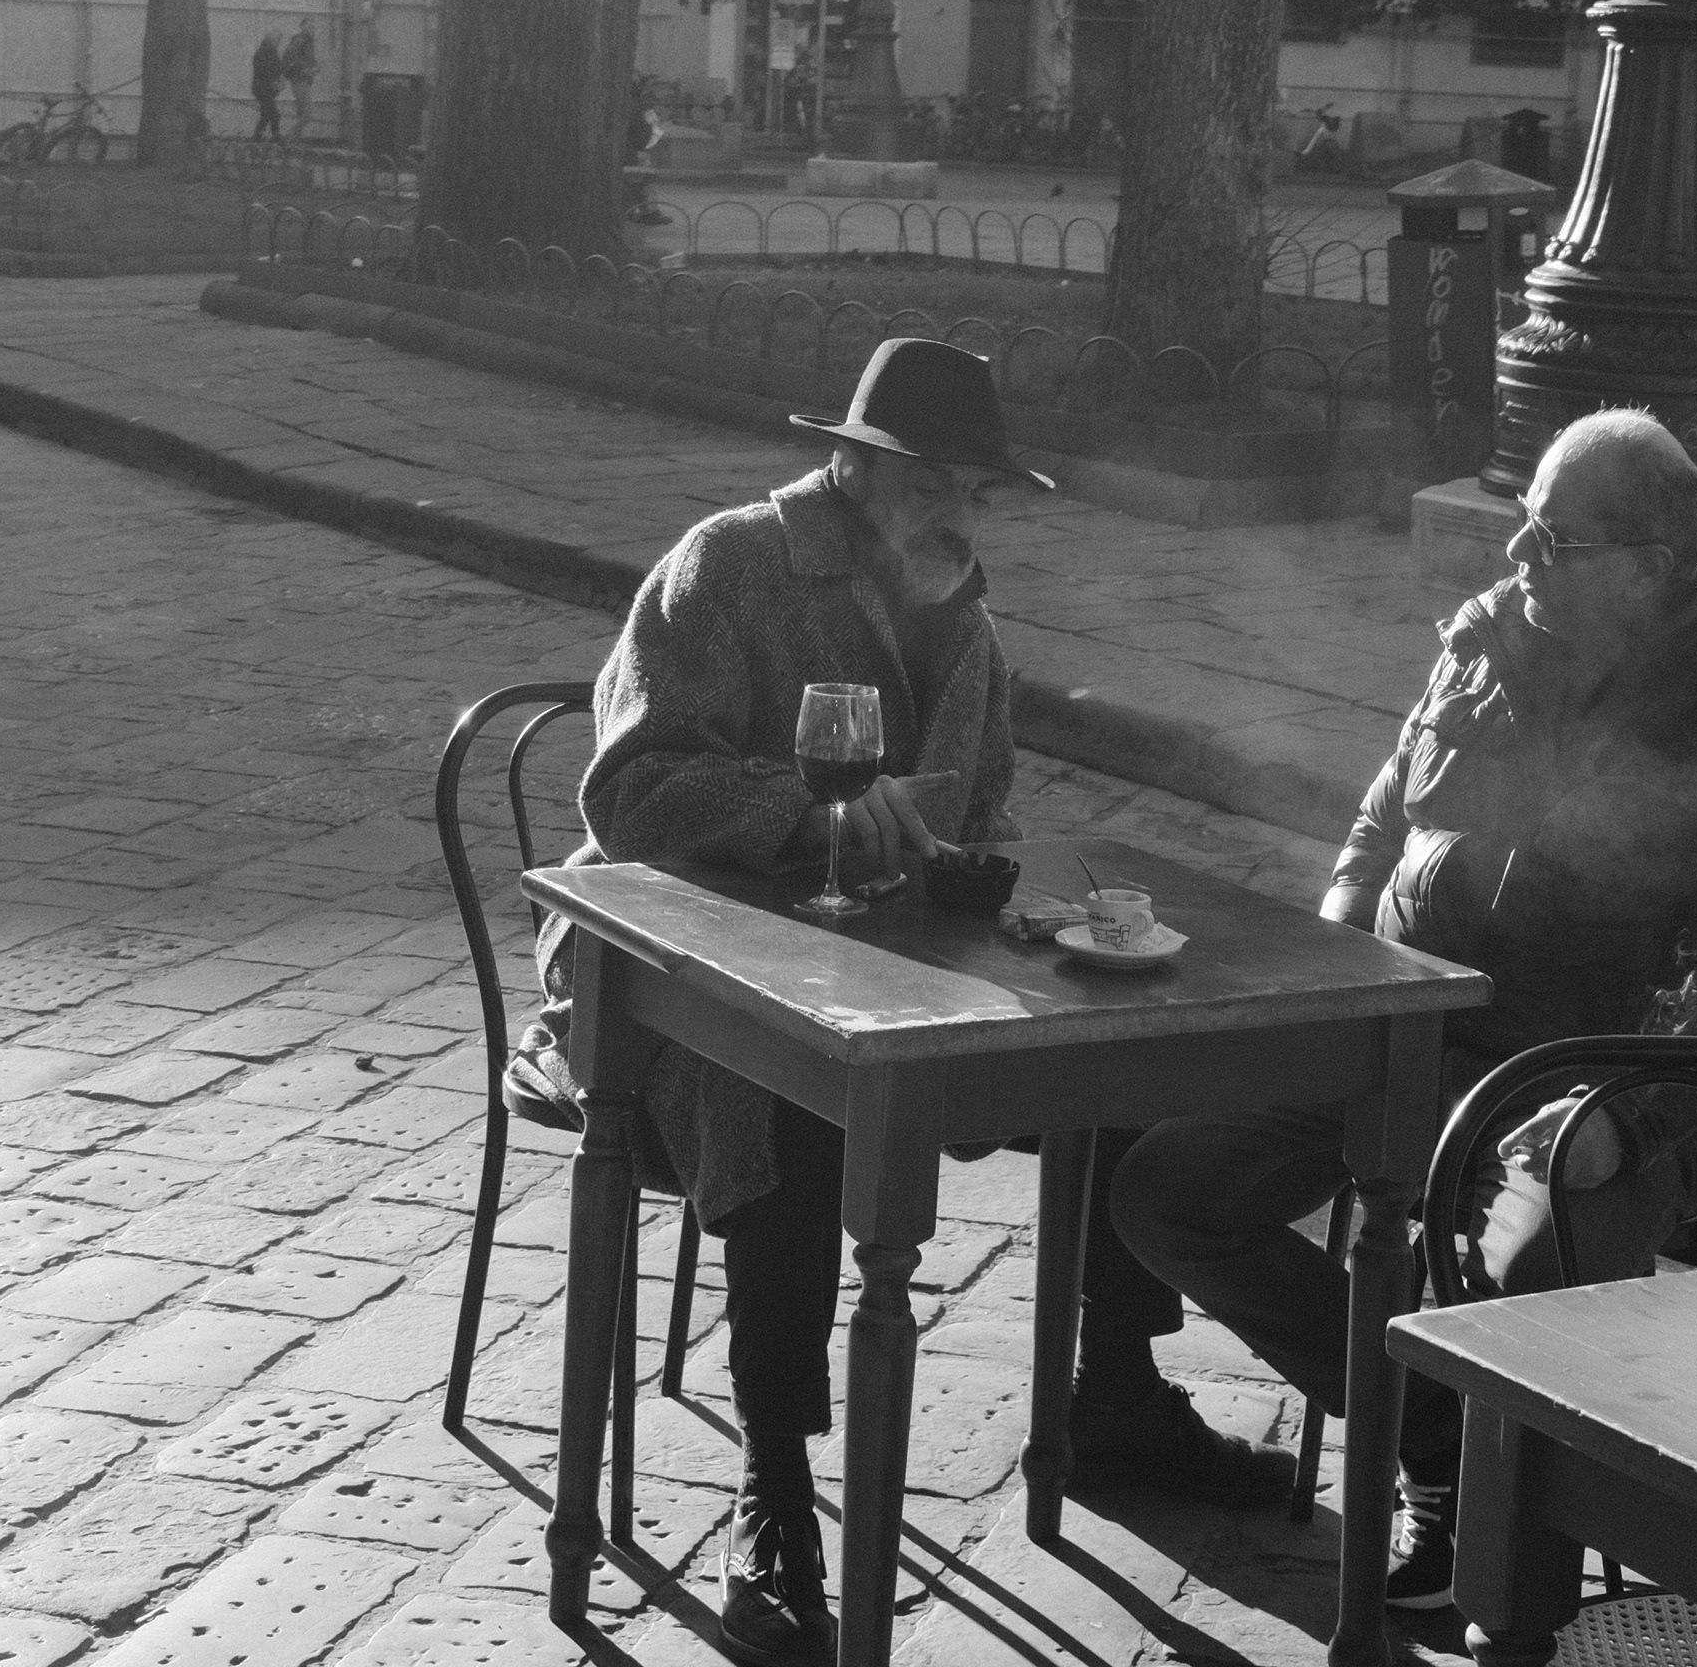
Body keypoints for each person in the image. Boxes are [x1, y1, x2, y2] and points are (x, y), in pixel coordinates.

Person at [516, 339, 1287, 1664]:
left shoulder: (965, 621)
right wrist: (804, 820)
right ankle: (777, 1492)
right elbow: (630, 796)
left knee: (1114, 1048)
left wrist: (985, 889)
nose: (961, 515)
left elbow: (973, 817)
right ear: (859, 468)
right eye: (937, 484)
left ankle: (1114, 1390)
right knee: (790, 1097)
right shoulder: (729, 566)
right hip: (665, 969)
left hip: (880, 959)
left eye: (978, 491)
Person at [1111, 406, 1697, 1614]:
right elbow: (1380, 815)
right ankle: (1444, 1447)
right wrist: (1332, 959)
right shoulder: (1492, 636)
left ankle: (1518, 1561)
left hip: (1590, 1080)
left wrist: (1628, 1112)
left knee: (1522, 1269)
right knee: (1166, 1188)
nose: (1517, 559)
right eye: (1523, 526)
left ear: (1652, 566)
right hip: (1402, 1030)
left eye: (1553, 538)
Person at [277, 24, 317, 138]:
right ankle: (289, 136)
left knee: (301, 113)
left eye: (313, 27)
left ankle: (295, 140)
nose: (312, 29)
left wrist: (316, 67)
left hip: (302, 80)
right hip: (300, 81)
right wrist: (305, 69)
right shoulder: (300, 40)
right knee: (308, 114)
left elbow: (312, 60)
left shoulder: (308, 43)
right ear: (302, 27)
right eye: (309, 26)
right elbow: (291, 57)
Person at [248, 33, 285, 141]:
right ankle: (276, 136)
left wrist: (279, 79)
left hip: (266, 89)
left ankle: (257, 137)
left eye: (278, 41)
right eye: (275, 40)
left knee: (266, 115)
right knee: (275, 114)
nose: (277, 43)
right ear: (269, 40)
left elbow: (278, 68)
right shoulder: (262, 53)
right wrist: (275, 80)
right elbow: (264, 71)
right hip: (262, 89)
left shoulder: (272, 53)